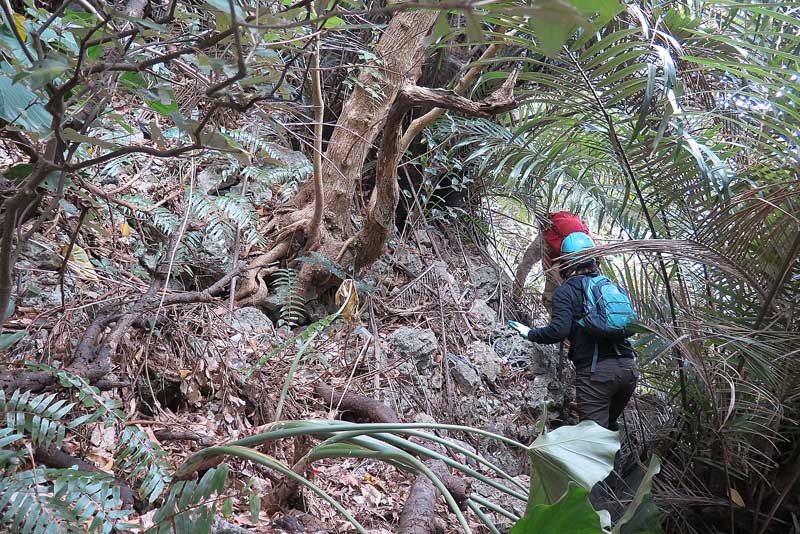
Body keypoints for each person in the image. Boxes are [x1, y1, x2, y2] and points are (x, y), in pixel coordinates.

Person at [509, 231, 638, 431]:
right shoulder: (611, 287)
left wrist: (530, 333)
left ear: (566, 262)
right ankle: (618, 462)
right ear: (595, 260)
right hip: (629, 370)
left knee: (594, 441)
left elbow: (558, 331)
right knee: (609, 431)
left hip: (597, 374)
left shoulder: (566, 291)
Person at [512, 212, 597, 313]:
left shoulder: (587, 246)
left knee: (550, 294)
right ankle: (515, 300)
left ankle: (515, 300)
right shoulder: (552, 236)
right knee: (550, 289)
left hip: (569, 254)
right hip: (561, 246)